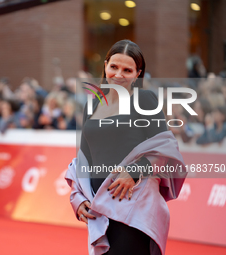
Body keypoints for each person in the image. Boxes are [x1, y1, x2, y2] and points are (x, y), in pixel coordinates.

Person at [65, 40, 187, 255]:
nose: (119, 74)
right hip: (99, 208)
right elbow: (84, 158)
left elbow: (166, 148)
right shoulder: (93, 103)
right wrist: (78, 195)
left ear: (138, 74)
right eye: (114, 67)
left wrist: (133, 171)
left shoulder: (146, 99)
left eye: (127, 70)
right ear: (105, 65)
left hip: (133, 206)